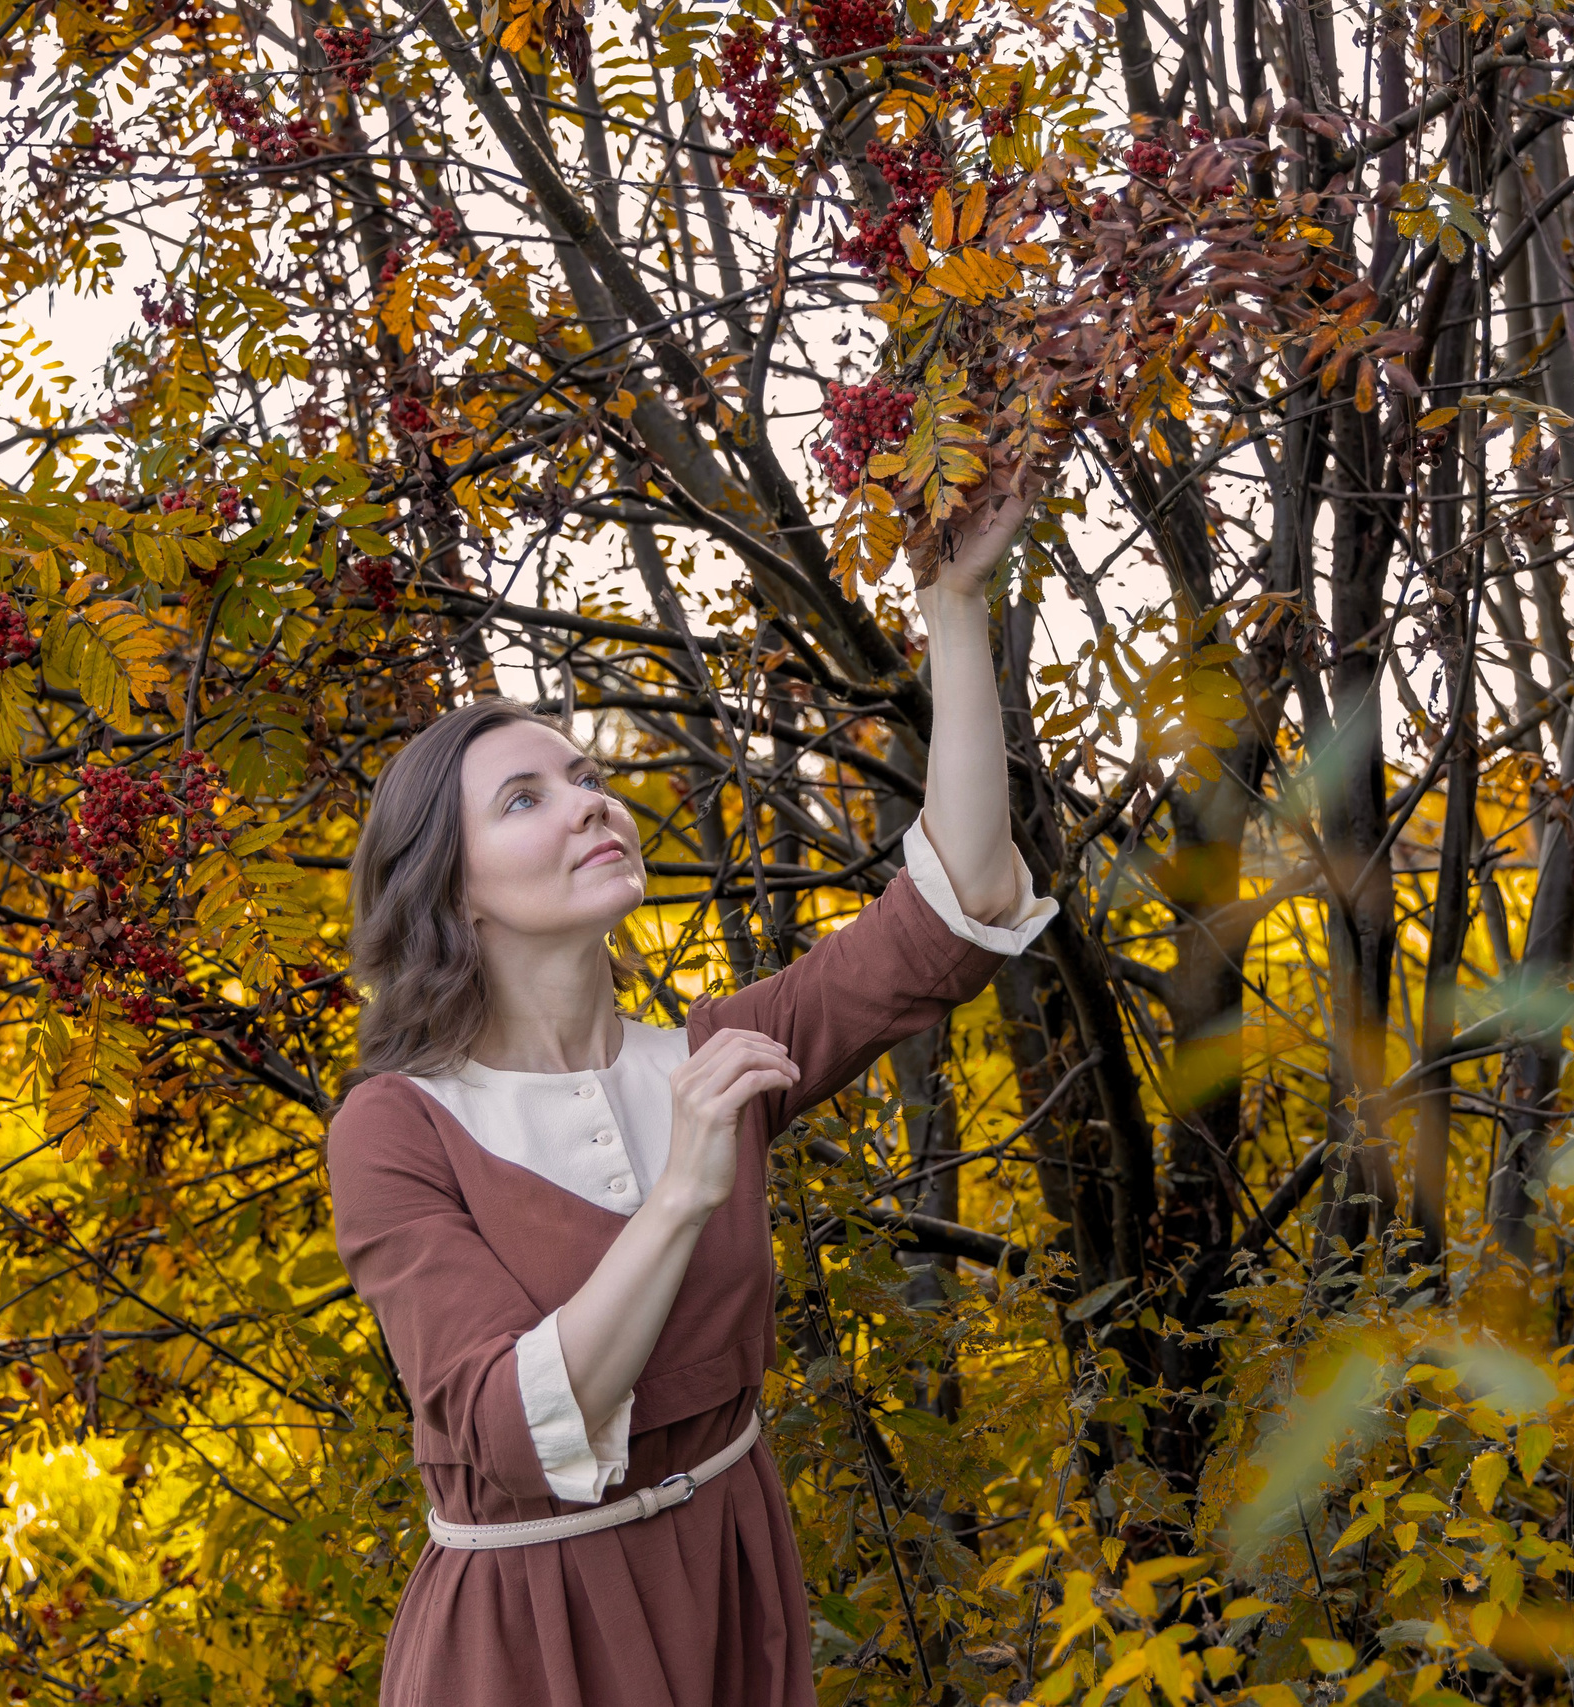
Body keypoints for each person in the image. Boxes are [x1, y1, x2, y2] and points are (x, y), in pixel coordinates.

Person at [323, 487, 1058, 1707]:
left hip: (728, 1575)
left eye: (580, 776)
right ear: (454, 897)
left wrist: (954, 608)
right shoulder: (398, 1127)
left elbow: (954, 908)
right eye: (525, 800)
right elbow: (507, 1433)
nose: (589, 802)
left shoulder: (710, 1053)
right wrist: (681, 1193)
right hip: (531, 1638)